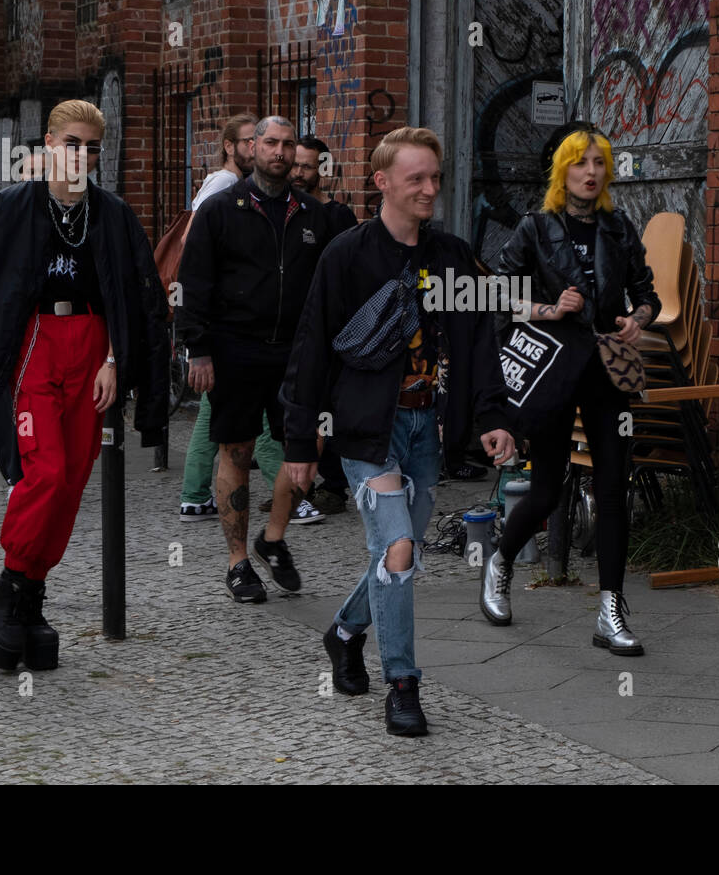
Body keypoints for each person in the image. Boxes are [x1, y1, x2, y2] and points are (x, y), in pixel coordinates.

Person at [282, 126, 516, 737]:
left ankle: (343, 632)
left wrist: (492, 417)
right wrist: (300, 443)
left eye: (436, 178)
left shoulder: (453, 256)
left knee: (397, 559)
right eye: (417, 178)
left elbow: (481, 344)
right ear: (382, 182)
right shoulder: (347, 256)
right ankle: (404, 684)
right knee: (399, 551)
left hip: (426, 433)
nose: (430, 189)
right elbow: (309, 352)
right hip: (367, 433)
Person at [0, 100, 168, 672]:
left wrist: (116, 359)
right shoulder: (10, 208)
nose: (82, 155)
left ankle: (30, 599)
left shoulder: (112, 214)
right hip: (33, 345)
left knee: (72, 482)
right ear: (50, 146)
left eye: (92, 146)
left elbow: (137, 299)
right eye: (72, 143)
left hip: (92, 351)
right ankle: (11, 585)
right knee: (46, 472)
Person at [481, 125, 660, 654]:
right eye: (581, 163)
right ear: (563, 171)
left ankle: (610, 609)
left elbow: (645, 292)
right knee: (547, 489)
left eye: (599, 163)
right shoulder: (535, 229)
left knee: (612, 487)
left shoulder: (619, 225)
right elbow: (497, 294)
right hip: (553, 370)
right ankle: (500, 561)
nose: (591, 172)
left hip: (606, 368)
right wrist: (549, 309)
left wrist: (637, 320)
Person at [178, 115, 336, 603]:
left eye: (289, 144)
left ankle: (272, 538)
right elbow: (192, 283)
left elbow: (330, 290)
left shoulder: (313, 214)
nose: (280, 152)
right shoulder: (222, 210)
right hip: (235, 350)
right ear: (252, 148)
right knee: (237, 453)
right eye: (270, 142)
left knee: (305, 451)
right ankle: (238, 561)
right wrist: (198, 349)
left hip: (296, 354)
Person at [289, 133, 356, 516]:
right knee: (297, 407)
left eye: (307, 166)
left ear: (323, 171)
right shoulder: (284, 211)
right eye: (295, 165)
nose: (298, 172)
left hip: (330, 327)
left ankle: (333, 486)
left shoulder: (338, 217)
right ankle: (297, 484)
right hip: (291, 326)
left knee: (327, 409)